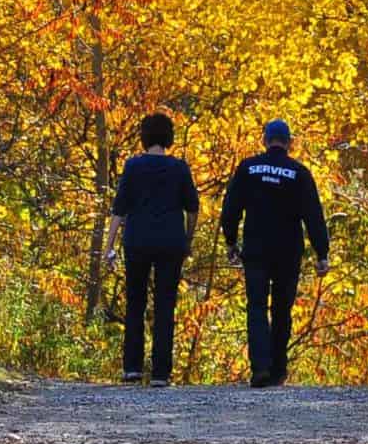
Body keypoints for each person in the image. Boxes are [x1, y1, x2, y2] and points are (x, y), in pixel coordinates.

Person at [218, 117, 329, 388]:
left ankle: (260, 368)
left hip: (256, 248)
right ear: (289, 143)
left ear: (264, 140)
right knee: (282, 309)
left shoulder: (248, 168)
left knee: (256, 306)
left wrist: (231, 242)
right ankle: (278, 369)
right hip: (288, 251)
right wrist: (321, 253)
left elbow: (231, 208)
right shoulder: (299, 173)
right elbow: (313, 215)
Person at [107, 113, 198, 385]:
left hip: (137, 240)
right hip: (171, 241)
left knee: (135, 302)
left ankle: (132, 367)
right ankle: (160, 372)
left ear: (144, 137)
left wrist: (108, 246)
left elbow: (119, 208)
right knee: (165, 305)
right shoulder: (179, 168)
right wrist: (187, 239)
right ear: (169, 137)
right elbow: (192, 208)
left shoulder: (133, 166)